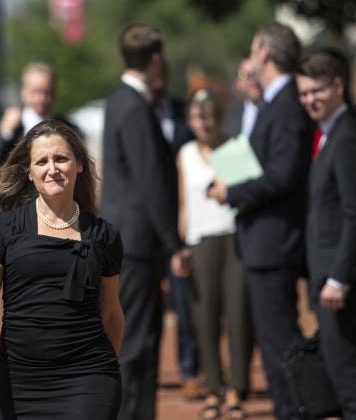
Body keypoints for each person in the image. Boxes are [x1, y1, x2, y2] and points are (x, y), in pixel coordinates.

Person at [0, 119, 125, 419]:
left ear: (79, 164)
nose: (52, 168)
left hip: (89, 376)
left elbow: (111, 312)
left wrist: (105, 367)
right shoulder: (4, 228)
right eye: (41, 161)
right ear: (30, 173)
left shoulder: (104, 235)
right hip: (20, 381)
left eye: (61, 158)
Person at [207, 22, 311, 420]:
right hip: (264, 241)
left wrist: (231, 193)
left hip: (274, 244)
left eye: (252, 51)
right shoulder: (276, 101)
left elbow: (282, 174)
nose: (249, 59)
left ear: (264, 53)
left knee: (280, 346)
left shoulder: (285, 102)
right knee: (274, 348)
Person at [100, 24, 191, 420]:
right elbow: (152, 179)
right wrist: (174, 243)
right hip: (137, 243)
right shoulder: (135, 107)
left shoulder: (119, 101)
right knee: (137, 343)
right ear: (155, 59)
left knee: (137, 339)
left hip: (129, 240)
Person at [296, 47, 356, 419]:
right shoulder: (328, 133)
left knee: (351, 374)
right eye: (304, 93)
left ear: (338, 85)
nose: (310, 100)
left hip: (342, 282)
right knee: (344, 373)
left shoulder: (348, 136)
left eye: (317, 91)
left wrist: (339, 278)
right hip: (327, 277)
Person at [178, 89, 252, 419]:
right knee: (203, 317)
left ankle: (237, 387)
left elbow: (251, 194)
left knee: (238, 316)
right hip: (200, 239)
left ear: (219, 117)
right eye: (197, 116)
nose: (203, 122)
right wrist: (181, 245)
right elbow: (183, 204)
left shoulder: (235, 148)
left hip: (234, 236)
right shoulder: (185, 154)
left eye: (208, 115)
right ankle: (213, 388)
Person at [0, 61, 80, 236]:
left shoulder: (67, 128)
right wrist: (5, 134)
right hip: (6, 218)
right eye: (36, 92)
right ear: (24, 92)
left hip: (51, 220)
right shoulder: (4, 123)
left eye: (47, 92)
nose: (42, 99)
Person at [152, 63, 203, 400]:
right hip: (147, 222)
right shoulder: (134, 113)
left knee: (187, 302)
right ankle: (144, 369)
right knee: (143, 302)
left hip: (185, 220)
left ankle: (190, 370)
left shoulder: (184, 113)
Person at [222, 56, 264, 139]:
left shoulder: (273, 109)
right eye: (245, 75)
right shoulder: (229, 113)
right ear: (237, 81)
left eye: (255, 75)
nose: (253, 81)